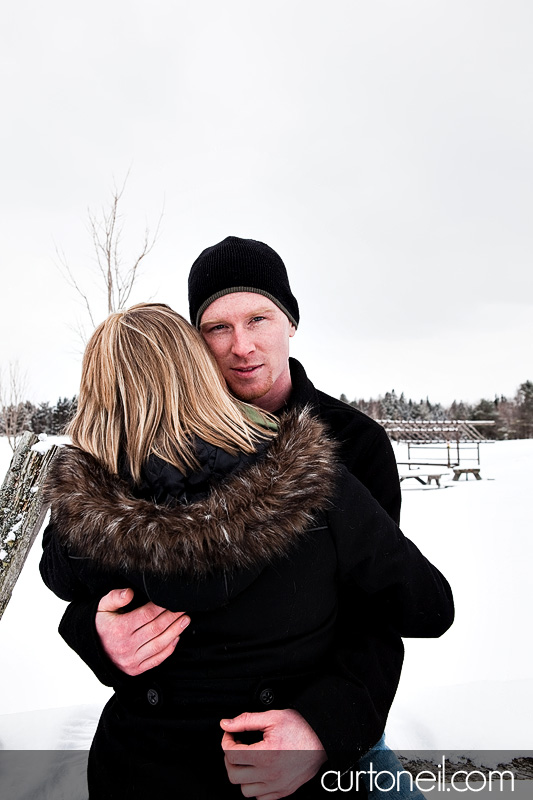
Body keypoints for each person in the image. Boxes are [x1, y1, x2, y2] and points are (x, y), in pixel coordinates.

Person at [47, 238, 446, 797]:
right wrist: (97, 632)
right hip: (168, 750)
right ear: (193, 343)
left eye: (258, 318)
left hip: (324, 729)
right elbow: (89, 576)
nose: (242, 346)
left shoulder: (351, 442)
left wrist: (321, 729)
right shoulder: (139, 452)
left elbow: (380, 613)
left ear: (291, 321)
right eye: (217, 328)